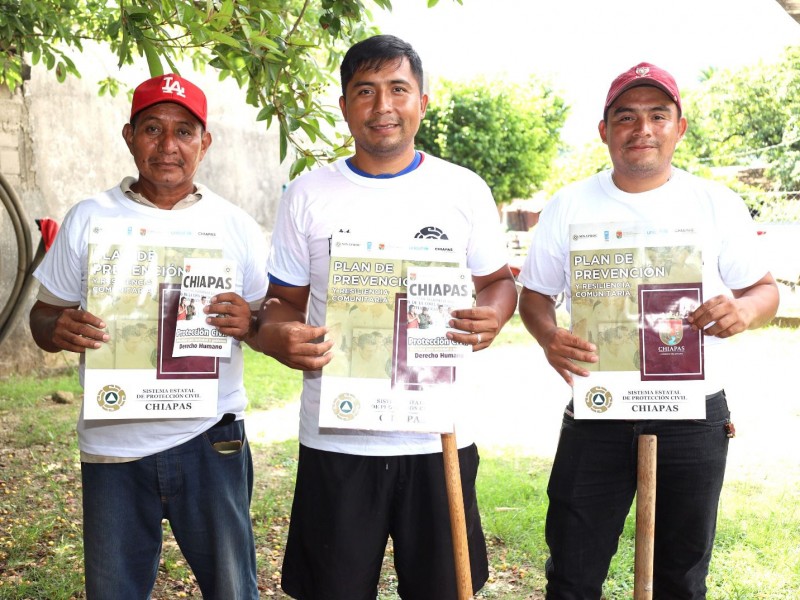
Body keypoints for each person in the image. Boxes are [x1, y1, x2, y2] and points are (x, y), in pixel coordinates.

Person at [257, 34, 518, 600]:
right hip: (338, 441)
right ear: (344, 104)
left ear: (422, 101)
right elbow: (282, 300)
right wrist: (280, 336)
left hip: (438, 436)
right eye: (365, 91)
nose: (382, 107)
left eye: (398, 89)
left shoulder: (463, 189)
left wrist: (491, 317)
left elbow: (498, 283)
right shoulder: (308, 193)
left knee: (445, 590)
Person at [518, 62, 779, 599]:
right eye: (626, 117)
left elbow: (766, 290)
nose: (642, 129)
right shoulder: (569, 205)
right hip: (599, 407)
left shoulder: (716, 203)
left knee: (682, 577)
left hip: (692, 413)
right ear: (604, 130)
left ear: (680, 127)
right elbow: (534, 296)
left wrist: (744, 311)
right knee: (572, 570)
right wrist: (548, 337)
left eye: (658, 115)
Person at [29, 73, 268, 600]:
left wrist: (249, 323)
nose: (168, 146)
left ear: (205, 143)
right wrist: (58, 328)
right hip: (115, 445)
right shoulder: (90, 217)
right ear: (128, 135)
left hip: (211, 436)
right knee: (113, 591)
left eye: (184, 131)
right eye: (152, 129)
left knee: (234, 590)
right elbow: (42, 317)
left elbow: (265, 320)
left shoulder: (236, 226)